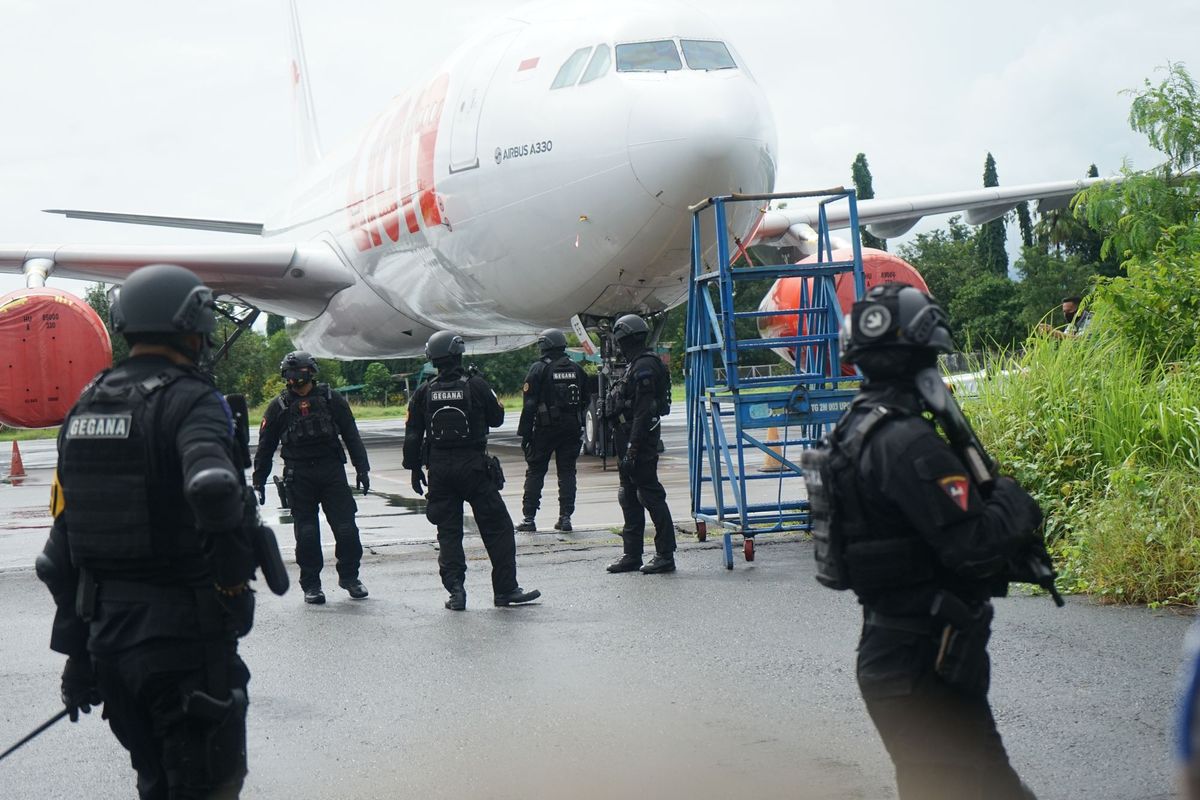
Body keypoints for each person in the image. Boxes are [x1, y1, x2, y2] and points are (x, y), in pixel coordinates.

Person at [804, 283, 1047, 799]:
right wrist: (1015, 504)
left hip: (907, 654)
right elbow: (974, 545)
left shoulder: (857, 428)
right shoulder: (909, 442)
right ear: (925, 351)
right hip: (924, 661)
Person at [37, 264, 258, 799]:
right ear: (191, 326)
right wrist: (232, 586)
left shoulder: (85, 406)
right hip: (182, 641)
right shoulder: (191, 399)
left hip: (110, 646)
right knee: (205, 786)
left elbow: (57, 553)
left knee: (154, 781)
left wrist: (78, 656)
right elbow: (212, 486)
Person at [402, 330, 541, 610]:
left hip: (439, 471)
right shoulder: (475, 384)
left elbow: (413, 434)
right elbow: (498, 418)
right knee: (498, 528)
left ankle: (456, 592)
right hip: (474, 468)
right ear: (459, 353)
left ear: (433, 358)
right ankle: (505, 590)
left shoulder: (424, 391)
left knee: (449, 533)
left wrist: (414, 469)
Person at [253, 351, 370, 604]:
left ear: (311, 373)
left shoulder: (331, 399)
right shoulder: (278, 407)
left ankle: (350, 577)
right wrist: (258, 480)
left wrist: (363, 469)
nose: (295, 379)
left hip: (331, 472)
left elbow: (351, 435)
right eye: (291, 374)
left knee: (347, 530)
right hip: (299, 475)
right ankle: (311, 585)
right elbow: (265, 446)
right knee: (306, 534)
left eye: (300, 373)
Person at [603, 313, 676, 575]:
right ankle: (632, 554)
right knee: (629, 497)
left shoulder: (645, 366)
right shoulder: (636, 364)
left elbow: (643, 412)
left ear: (626, 340)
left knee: (649, 494)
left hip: (640, 441)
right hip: (628, 438)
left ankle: (665, 554)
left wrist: (633, 447)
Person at [515, 328, 590, 533]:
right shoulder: (577, 369)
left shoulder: (538, 369)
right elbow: (586, 399)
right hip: (571, 428)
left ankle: (529, 518)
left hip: (545, 429)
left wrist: (525, 435)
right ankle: (565, 518)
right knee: (567, 472)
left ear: (544, 346)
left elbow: (529, 405)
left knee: (536, 471)